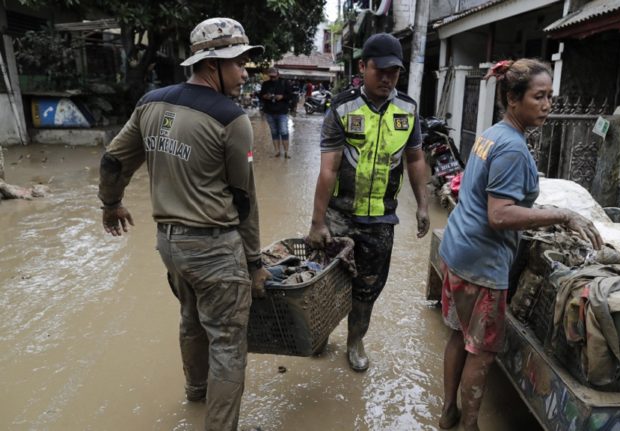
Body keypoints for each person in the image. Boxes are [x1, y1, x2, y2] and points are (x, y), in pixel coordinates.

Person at [97, 17, 271, 431]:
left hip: (170, 246)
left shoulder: (151, 102)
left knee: (191, 319)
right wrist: (253, 262)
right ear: (211, 64)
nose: (245, 72)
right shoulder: (232, 119)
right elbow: (243, 199)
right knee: (228, 344)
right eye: (239, 63)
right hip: (214, 248)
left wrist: (111, 203)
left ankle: (196, 393)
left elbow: (113, 160)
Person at [437, 59, 604, 431]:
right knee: (480, 353)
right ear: (513, 99)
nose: (547, 105)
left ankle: (448, 412)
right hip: (482, 262)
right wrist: (562, 215)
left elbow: (488, 198)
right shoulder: (512, 148)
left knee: (457, 335)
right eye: (538, 96)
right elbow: (499, 215)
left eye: (550, 97)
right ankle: (469, 426)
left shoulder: (493, 134)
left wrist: (540, 210)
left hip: (457, 248)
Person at [307, 32, 430, 372]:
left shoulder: (407, 109)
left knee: (368, 287)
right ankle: (318, 335)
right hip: (340, 215)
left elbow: (416, 159)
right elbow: (328, 168)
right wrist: (318, 222)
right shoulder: (343, 108)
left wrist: (422, 205)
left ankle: (355, 340)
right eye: (381, 70)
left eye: (395, 72)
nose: (388, 78)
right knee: (325, 282)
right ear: (363, 67)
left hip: (380, 220)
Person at [260, 67, 292, 158]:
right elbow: (261, 95)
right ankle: (277, 151)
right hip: (269, 111)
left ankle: (286, 152)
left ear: (278, 75)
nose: (272, 78)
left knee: (284, 131)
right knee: (274, 132)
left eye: (274, 77)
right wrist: (265, 96)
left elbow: (290, 96)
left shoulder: (285, 83)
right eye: (271, 77)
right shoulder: (265, 84)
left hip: (282, 112)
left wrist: (282, 97)